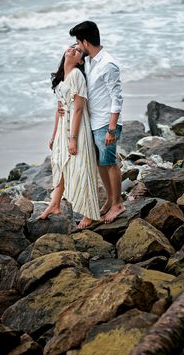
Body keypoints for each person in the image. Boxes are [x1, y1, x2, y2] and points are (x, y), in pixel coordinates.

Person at [37, 45, 100, 228]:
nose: (73, 49)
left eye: (79, 50)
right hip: (63, 128)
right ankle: (55, 204)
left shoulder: (77, 76)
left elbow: (79, 108)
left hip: (77, 128)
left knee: (82, 167)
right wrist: (54, 134)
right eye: (72, 47)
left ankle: (89, 213)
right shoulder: (61, 77)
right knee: (60, 163)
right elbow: (59, 109)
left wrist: (73, 138)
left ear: (81, 61)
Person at [69, 21, 125, 223]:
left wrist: (111, 129)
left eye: (78, 41)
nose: (77, 46)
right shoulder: (90, 60)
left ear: (85, 41)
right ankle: (110, 200)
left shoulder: (108, 64)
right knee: (101, 163)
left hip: (105, 124)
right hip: (94, 122)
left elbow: (117, 98)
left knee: (110, 163)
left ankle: (118, 204)